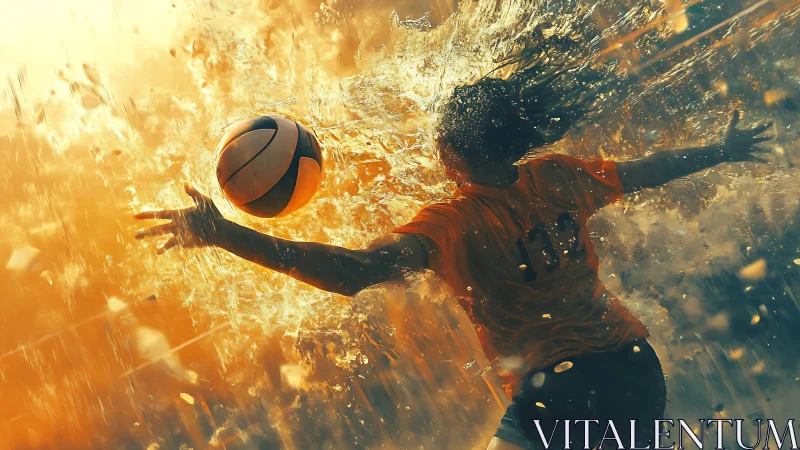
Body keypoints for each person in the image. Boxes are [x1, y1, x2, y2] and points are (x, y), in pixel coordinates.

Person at [135, 63, 773, 448]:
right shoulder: (559, 176)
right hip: (636, 371)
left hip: (561, 389)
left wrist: (226, 234)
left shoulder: (453, 224)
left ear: (454, 155)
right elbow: (647, 169)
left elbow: (355, 273)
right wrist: (720, 150)